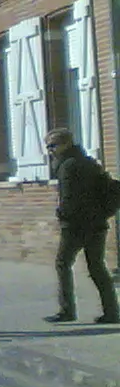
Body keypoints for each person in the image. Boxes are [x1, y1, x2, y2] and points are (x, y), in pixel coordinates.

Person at [44, 128, 120, 324]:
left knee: (63, 264)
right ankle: (112, 311)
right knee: (97, 267)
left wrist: (63, 216)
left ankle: (67, 310)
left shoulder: (67, 165)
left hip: (76, 225)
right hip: (97, 223)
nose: (50, 150)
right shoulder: (87, 162)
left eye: (53, 145)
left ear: (65, 144)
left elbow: (69, 198)